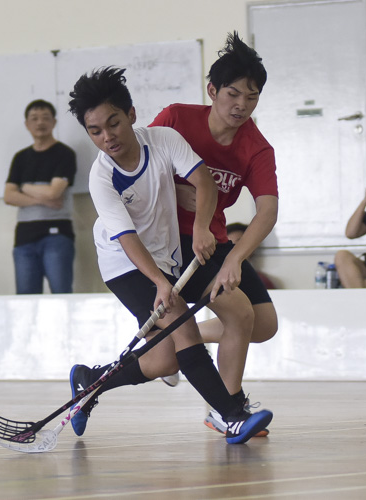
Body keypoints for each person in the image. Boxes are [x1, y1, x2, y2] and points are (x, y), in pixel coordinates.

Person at [66, 66, 272, 444]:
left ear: (131, 115)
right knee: (183, 326)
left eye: (113, 123)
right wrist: (161, 283)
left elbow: (203, 182)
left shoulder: (163, 139)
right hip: (124, 263)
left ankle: (91, 381)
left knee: (164, 359)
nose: (107, 136)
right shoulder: (101, 178)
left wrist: (201, 228)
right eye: (95, 131)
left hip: (169, 252)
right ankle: (230, 416)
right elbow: (127, 239)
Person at [149, 32, 278, 434]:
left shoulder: (256, 147)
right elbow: (140, 168)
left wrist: (236, 258)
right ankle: (226, 407)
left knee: (265, 324)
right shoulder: (176, 119)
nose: (241, 106)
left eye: (252, 98)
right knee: (240, 315)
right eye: (233, 94)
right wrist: (176, 192)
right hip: (171, 243)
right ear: (212, 90)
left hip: (214, 243)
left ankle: (178, 343)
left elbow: (268, 209)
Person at [3, 99, 77, 294]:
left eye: (45, 118)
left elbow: (55, 192)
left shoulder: (65, 154)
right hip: (24, 237)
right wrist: (41, 197)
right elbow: (9, 196)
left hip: (57, 235)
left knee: (61, 295)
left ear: (54, 122)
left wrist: (25, 187)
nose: (40, 123)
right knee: (26, 300)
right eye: (34, 119)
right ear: (27, 124)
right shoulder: (21, 158)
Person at [226, 222, 275, 289]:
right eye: (229, 245)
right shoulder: (215, 280)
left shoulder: (262, 281)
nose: (233, 249)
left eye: (239, 243)